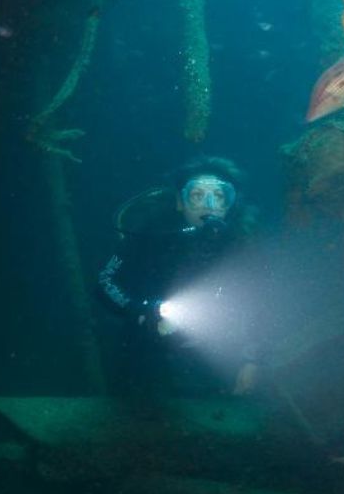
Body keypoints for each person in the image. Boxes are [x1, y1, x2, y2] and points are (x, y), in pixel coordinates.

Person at [96, 157, 261, 401]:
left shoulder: (242, 247)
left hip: (212, 360)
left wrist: (252, 360)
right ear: (179, 202)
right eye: (196, 195)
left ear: (230, 203)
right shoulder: (150, 236)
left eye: (219, 195)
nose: (209, 205)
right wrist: (140, 311)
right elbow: (106, 282)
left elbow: (262, 305)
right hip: (146, 353)